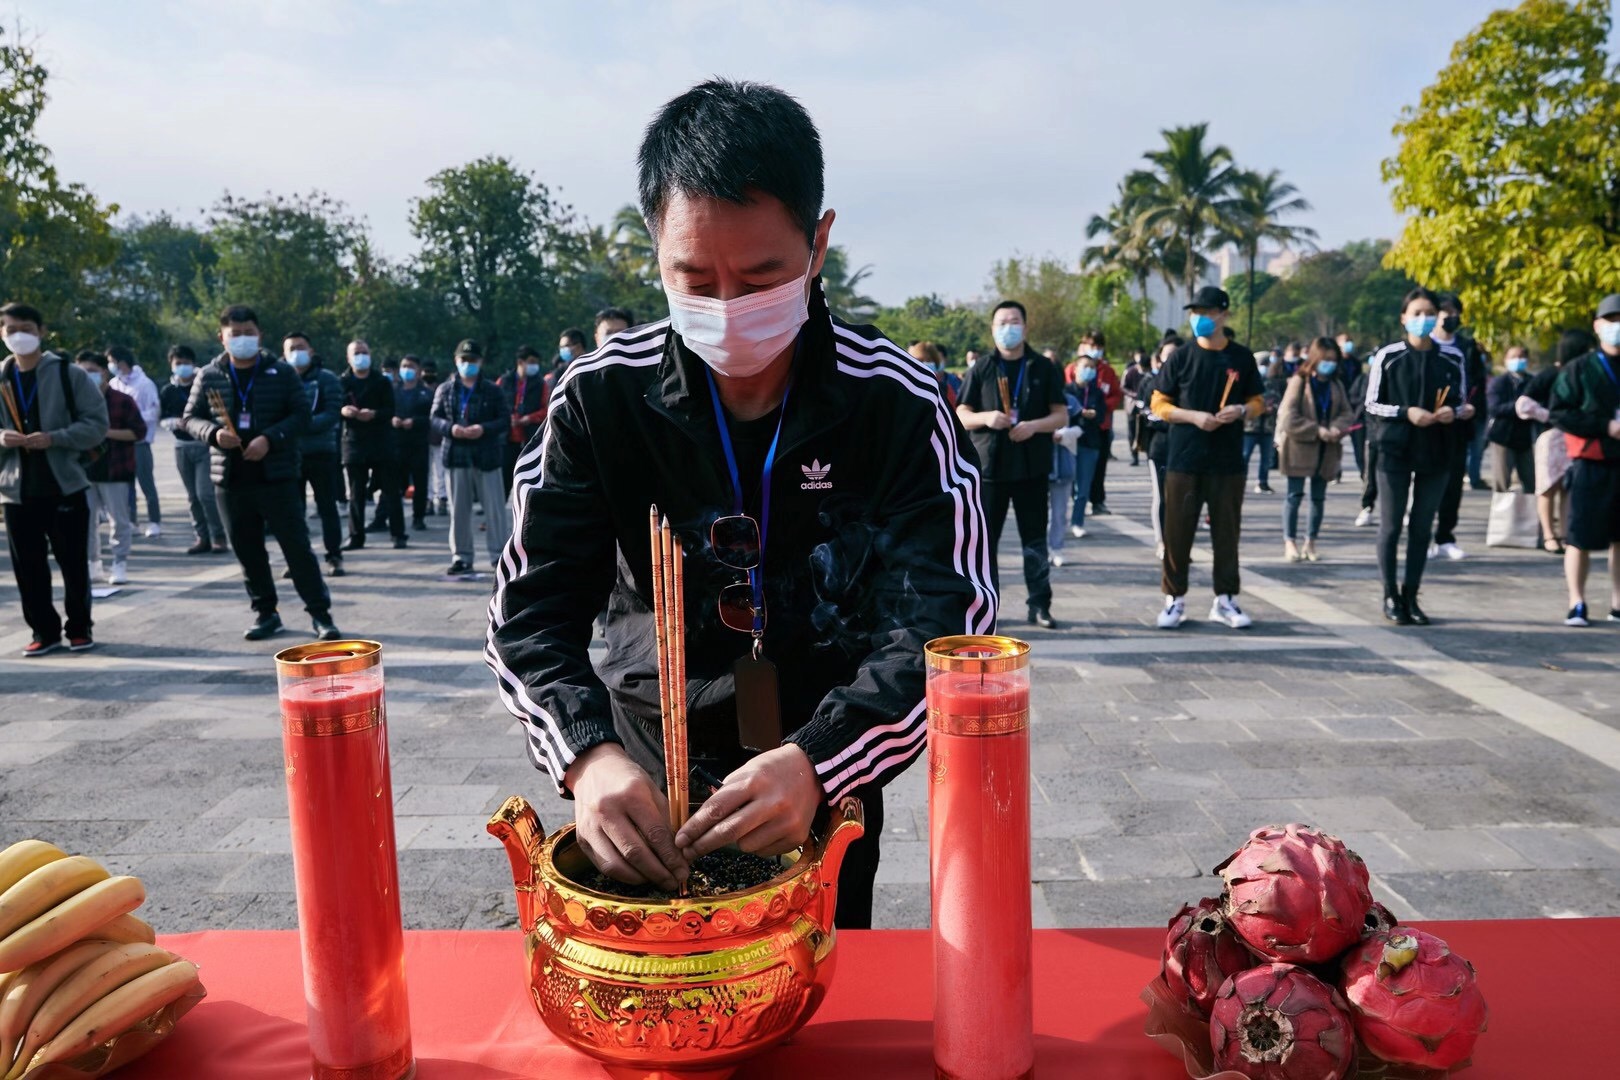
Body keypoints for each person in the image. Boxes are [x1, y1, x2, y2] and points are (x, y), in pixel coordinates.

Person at [489, 80, 992, 928]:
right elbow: (528, 618)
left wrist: (824, 763)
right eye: (694, 277)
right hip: (643, 763)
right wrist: (588, 759)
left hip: (824, 767)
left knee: (818, 994)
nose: (727, 310)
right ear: (654, 253)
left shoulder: (897, 403)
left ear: (819, 242)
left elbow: (951, 626)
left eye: (761, 276)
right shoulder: (598, 400)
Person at [184, 304, 341, 642]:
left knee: (296, 548)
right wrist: (213, 434)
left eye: (248, 333)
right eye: (235, 334)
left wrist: (271, 438)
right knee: (248, 550)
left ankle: (320, 614)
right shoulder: (209, 374)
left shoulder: (280, 372)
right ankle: (266, 612)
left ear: (260, 335)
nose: (242, 339)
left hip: (277, 475)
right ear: (222, 337)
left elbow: (301, 416)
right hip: (230, 478)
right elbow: (189, 418)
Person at [1149, 286, 1265, 630]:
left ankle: (1226, 599)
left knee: (1227, 534)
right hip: (1184, 459)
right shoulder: (1181, 356)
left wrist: (1241, 409)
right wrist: (1192, 416)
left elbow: (1259, 402)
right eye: (1195, 311)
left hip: (1228, 461)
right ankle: (1174, 598)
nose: (1199, 318)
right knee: (1177, 533)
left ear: (1223, 314)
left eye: (1207, 311)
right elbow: (1159, 403)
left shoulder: (1241, 358)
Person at [1, 302, 109, 655]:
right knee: (28, 569)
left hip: (65, 485)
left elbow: (96, 425)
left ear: (41, 332)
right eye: (11, 328)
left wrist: (56, 437)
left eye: (27, 329)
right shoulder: (1, 378)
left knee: (73, 564)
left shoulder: (68, 373)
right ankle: (43, 632)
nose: (19, 336)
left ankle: (79, 628)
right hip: (16, 491)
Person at [958, 300, 1068, 629]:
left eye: (1014, 321)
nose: (1008, 327)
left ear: (1025, 326)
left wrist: (1034, 425)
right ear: (993, 329)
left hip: (1031, 468)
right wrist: (986, 418)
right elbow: (961, 416)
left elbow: (1061, 414)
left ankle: (1039, 604)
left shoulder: (1044, 367)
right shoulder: (982, 368)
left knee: (1034, 540)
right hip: (990, 470)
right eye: (1002, 322)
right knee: (982, 546)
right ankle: (984, 609)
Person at [1363, 287, 1463, 626]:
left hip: (1436, 447)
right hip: (1395, 447)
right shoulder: (1388, 355)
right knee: (1391, 526)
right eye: (1417, 313)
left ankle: (1411, 594)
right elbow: (1372, 403)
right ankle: (1390, 594)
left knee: (1422, 527)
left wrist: (1455, 410)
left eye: (1430, 313)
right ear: (1404, 318)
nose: (1424, 319)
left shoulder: (1452, 357)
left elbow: (1462, 400)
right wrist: (1407, 412)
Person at [1549, 293, 1620, 627]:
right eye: (1612, 320)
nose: (1617, 327)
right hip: (1591, 461)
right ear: (1597, 326)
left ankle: (1618, 602)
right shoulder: (1580, 369)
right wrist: (1604, 425)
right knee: (1580, 537)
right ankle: (1577, 601)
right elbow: (1560, 412)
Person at [431, 340, 509, 575]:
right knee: (459, 510)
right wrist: (451, 428)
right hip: (456, 456)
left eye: (472, 360)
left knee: (495, 510)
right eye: (464, 360)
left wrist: (483, 428)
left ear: (480, 362)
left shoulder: (492, 390)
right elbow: (434, 418)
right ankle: (461, 556)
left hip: (487, 456)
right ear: (456, 361)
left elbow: (504, 420)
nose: (468, 364)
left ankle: (499, 556)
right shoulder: (445, 389)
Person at [1276, 338, 1352, 562]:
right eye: (1325, 359)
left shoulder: (1336, 384)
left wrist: (1337, 427)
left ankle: (1311, 541)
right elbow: (1289, 417)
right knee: (1294, 495)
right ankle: (1290, 541)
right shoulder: (1300, 381)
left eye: (1333, 360)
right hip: (1300, 447)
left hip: (1326, 449)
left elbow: (1347, 412)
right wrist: (1316, 430)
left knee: (1318, 498)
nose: (1329, 364)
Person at [75, 351, 145, 586]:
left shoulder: (122, 400)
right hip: (83, 471)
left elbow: (138, 432)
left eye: (92, 371)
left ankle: (119, 563)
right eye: (82, 372)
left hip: (116, 469)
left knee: (119, 520)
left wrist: (105, 432)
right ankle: (92, 564)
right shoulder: (75, 401)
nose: (87, 376)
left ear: (104, 372)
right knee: (86, 521)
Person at [283, 333, 345, 576]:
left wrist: (301, 424)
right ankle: (298, 559)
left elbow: (332, 413)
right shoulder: (280, 379)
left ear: (311, 350)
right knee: (293, 511)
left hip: (321, 452)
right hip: (289, 454)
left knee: (327, 507)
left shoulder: (327, 379)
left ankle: (334, 556)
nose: (296, 352)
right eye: (291, 349)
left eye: (301, 347)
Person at [1429, 294, 1486, 559]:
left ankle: (1445, 536)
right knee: (1426, 481)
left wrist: (1471, 407)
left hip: (1457, 423)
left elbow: (1477, 383)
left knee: (1453, 482)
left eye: (1454, 312)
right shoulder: (1424, 346)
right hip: (1426, 423)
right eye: (1444, 311)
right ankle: (1424, 535)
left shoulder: (1467, 347)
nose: (1449, 317)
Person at [158, 345, 227, 555]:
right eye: (178, 363)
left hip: (204, 445)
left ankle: (219, 536)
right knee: (192, 497)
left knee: (206, 494)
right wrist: (173, 423)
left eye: (186, 363)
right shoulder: (168, 390)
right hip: (181, 446)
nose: (182, 367)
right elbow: (161, 417)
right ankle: (201, 536)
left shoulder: (203, 384)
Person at [1527, 330, 1592, 554]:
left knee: (1567, 488)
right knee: (1547, 488)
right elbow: (1523, 404)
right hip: (1551, 436)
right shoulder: (1551, 373)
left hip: (1575, 438)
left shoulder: (1586, 373)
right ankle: (1548, 534)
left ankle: (1565, 533)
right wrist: (1551, 416)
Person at [339, 339, 405, 551]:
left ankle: (398, 534)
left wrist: (374, 414)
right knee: (356, 494)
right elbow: (334, 407)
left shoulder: (381, 381)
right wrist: (344, 411)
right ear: (348, 358)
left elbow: (390, 410)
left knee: (391, 491)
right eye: (356, 353)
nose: (360, 356)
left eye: (364, 352)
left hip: (381, 440)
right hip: (354, 442)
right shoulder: (342, 381)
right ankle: (356, 536)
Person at [106, 346, 162, 537]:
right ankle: (132, 521)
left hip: (140, 442)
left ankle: (154, 521)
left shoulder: (144, 383)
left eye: (111, 361)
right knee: (126, 485)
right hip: (119, 443)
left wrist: (132, 415)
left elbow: (154, 412)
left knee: (146, 484)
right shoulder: (114, 383)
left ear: (121, 361)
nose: (110, 365)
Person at [1138, 337, 1179, 558]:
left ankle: (1179, 540)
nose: (1171, 359)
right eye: (1167, 355)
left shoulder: (1188, 382)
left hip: (1184, 448)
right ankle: (1162, 540)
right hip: (1160, 447)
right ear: (1159, 359)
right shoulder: (1152, 384)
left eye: (1176, 354)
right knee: (1162, 496)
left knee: (1182, 497)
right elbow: (1147, 414)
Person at [1059, 352, 1107, 542]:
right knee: (1064, 484)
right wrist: (1079, 414)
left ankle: (1077, 522)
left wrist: (1093, 415)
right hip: (1068, 442)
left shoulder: (1098, 393)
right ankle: (1057, 521)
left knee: (1083, 487)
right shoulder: (1066, 391)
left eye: (1092, 367)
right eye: (1084, 366)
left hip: (1090, 442)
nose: (1088, 370)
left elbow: (1103, 416)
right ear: (1075, 369)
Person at [1073, 331, 1120, 516]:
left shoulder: (1107, 372)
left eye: (1098, 347)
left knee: (1098, 467)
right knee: (1074, 468)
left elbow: (1116, 395)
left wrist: (1101, 408)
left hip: (1100, 426)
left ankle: (1097, 501)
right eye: (1091, 345)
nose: (1095, 350)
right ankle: (1076, 501)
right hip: (1076, 427)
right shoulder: (1073, 368)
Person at [1485, 345, 1536, 494]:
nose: (1518, 360)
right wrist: (1519, 407)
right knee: (1501, 482)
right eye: (1513, 357)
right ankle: (1501, 516)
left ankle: (1531, 515)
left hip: (1526, 439)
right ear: (1506, 360)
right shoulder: (1499, 382)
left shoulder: (1533, 382)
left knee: (1531, 481)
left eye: (1521, 357)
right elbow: (1494, 408)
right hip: (1503, 438)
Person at [499, 346, 550, 493]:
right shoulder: (503, 381)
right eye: (531, 362)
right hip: (507, 437)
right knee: (504, 477)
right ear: (520, 362)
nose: (535, 366)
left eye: (536, 362)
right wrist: (507, 418)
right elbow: (494, 406)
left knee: (529, 479)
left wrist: (529, 418)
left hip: (530, 436)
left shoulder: (541, 383)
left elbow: (546, 410)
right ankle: (499, 510)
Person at [394, 354, 433, 530]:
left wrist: (415, 421)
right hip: (397, 442)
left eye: (411, 367)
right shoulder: (393, 391)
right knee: (395, 484)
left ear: (418, 372)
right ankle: (393, 517)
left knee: (420, 482)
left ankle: (419, 517)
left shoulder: (426, 393)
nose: (407, 370)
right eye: (404, 366)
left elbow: (432, 418)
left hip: (418, 443)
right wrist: (392, 419)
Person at [1242, 355, 1282, 495]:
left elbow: (1278, 400)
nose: (1264, 367)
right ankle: (1240, 481)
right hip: (1250, 426)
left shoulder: (1273, 383)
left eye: (1266, 363)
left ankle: (1263, 483)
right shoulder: (1248, 380)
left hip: (1267, 427)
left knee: (1266, 458)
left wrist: (1272, 407)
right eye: (1262, 363)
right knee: (1245, 456)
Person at [1122, 348, 1148, 467]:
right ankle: (1134, 456)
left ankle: (1148, 454)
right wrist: (1134, 395)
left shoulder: (1149, 373)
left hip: (1146, 406)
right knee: (1132, 432)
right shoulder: (1130, 372)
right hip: (1133, 406)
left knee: (1146, 430)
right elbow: (1123, 387)